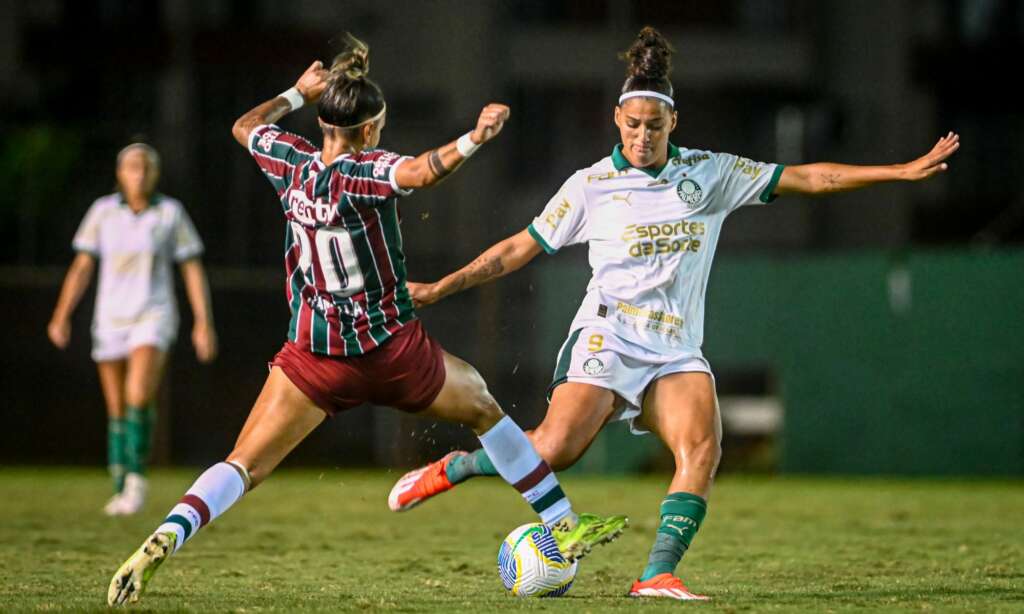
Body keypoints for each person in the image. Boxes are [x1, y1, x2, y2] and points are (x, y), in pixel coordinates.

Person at [388, 26, 961, 601]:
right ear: (617, 120)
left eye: (654, 126)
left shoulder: (709, 173)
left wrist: (898, 172)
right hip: (607, 335)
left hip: (675, 348)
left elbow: (807, 177)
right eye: (632, 125)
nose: (642, 136)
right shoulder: (591, 185)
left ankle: (656, 574)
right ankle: (457, 467)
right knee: (554, 449)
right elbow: (519, 247)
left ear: (673, 124)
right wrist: (441, 286)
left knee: (703, 449)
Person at [106, 35, 626, 606]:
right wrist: (475, 138)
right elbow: (424, 172)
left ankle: (169, 533)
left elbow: (243, 125)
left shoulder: (290, 162)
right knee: (482, 407)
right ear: (372, 130)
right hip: (391, 352)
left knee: (243, 464)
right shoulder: (365, 170)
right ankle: (561, 520)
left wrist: (293, 95)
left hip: (313, 358)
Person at [48, 143, 217, 516]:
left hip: (152, 316)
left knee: (138, 393)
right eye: (131, 167)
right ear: (119, 173)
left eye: (145, 167)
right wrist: (61, 314)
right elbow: (82, 267)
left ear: (155, 173)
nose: (138, 174)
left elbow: (191, 268)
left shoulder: (170, 213)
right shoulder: (103, 212)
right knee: (117, 408)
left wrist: (203, 322)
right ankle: (120, 483)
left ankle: (137, 481)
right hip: (109, 318)